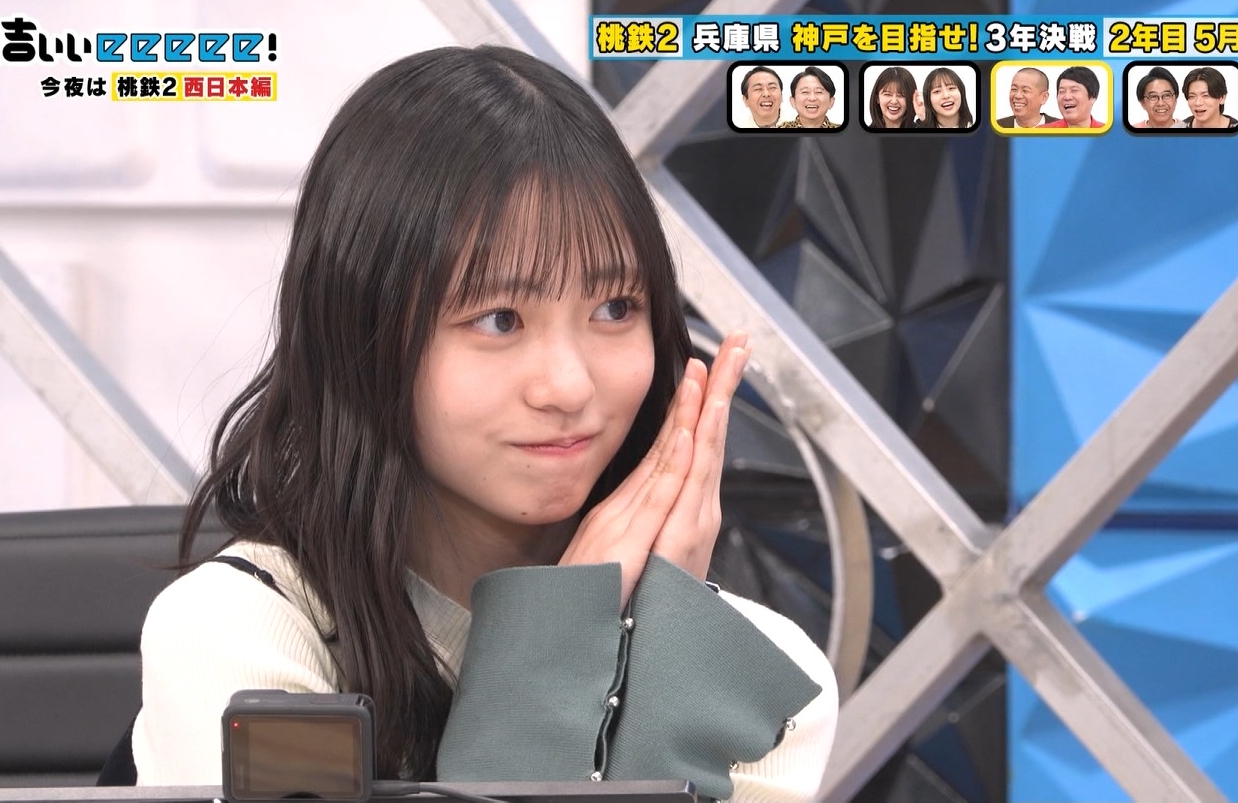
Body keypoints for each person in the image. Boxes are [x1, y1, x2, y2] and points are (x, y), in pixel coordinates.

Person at [117, 46, 838, 801]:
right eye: (498, 319)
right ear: (359, 334)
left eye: (614, 308)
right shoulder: (239, 634)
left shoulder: (762, 673)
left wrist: (672, 654)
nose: (568, 386)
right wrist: (552, 641)